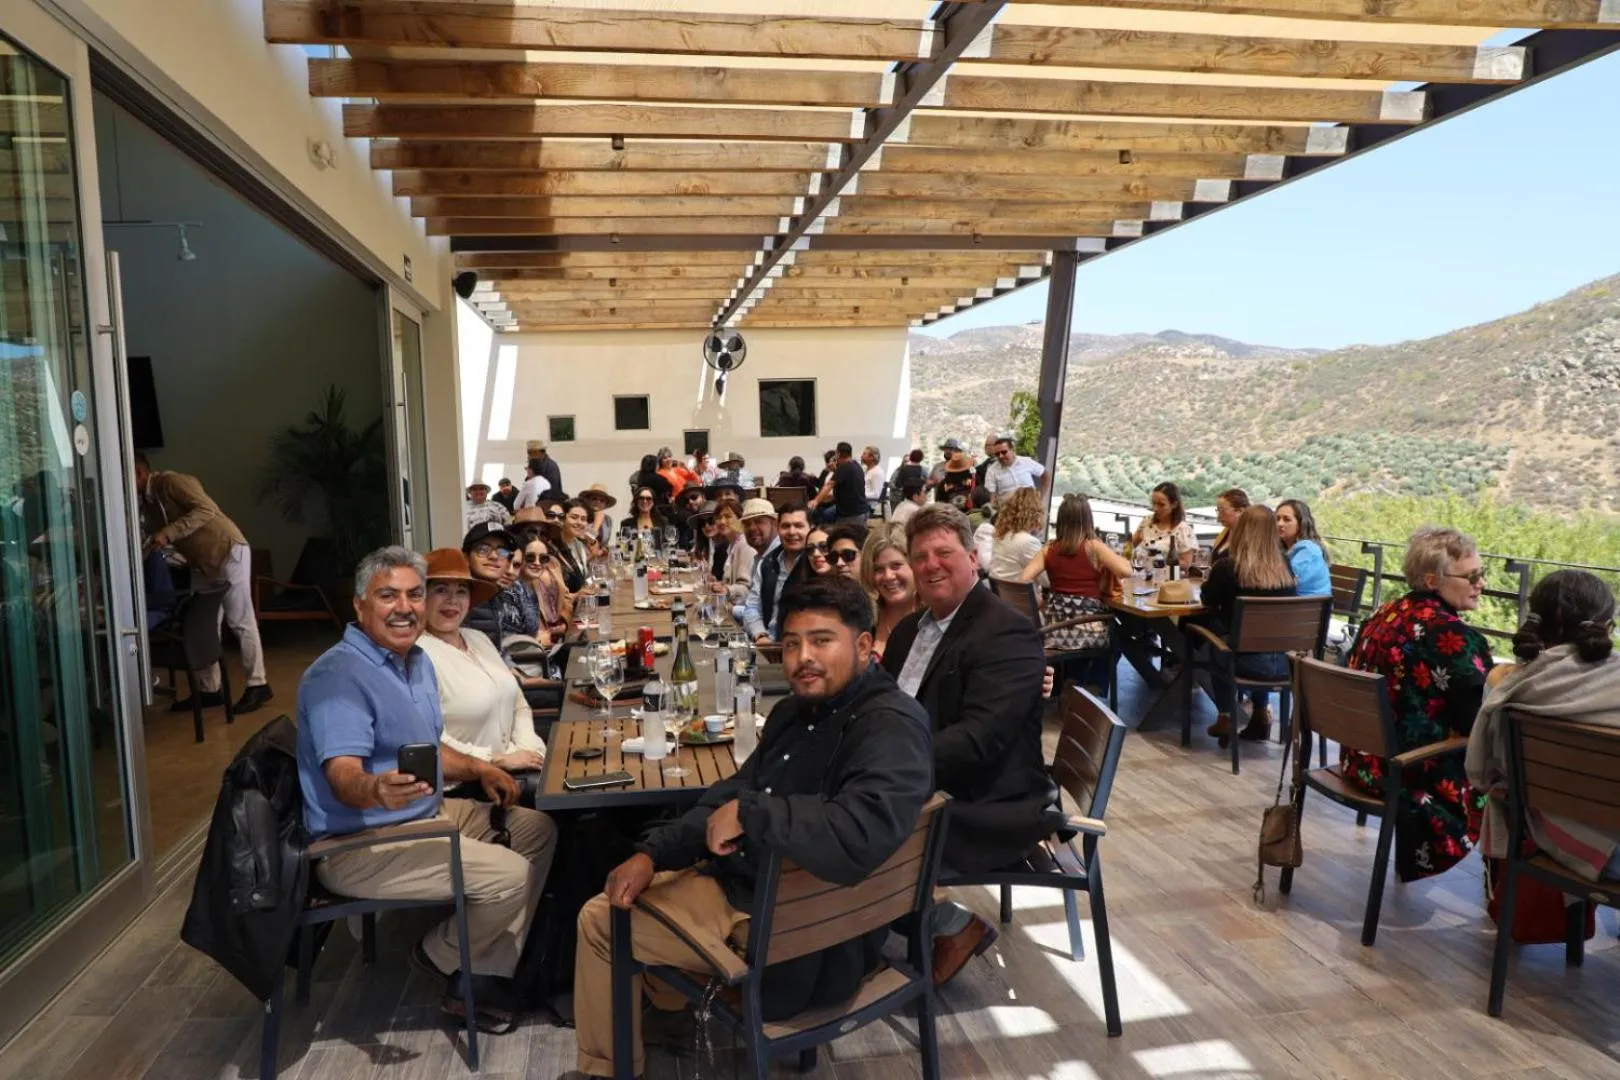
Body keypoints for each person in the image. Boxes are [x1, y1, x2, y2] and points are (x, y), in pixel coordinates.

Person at [570, 576, 933, 1078]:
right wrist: (654, 853)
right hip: (768, 901)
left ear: (865, 645)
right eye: (791, 643)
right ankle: (670, 1012)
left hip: (800, 950)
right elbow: (732, 794)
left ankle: (605, 1069)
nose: (803, 656)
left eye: (821, 640)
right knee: (644, 875)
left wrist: (752, 814)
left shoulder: (891, 724)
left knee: (599, 919)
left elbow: (860, 832)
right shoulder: (796, 712)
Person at [295, 546, 556, 1030]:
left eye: (415, 594)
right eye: (388, 595)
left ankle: (479, 975)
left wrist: (479, 769)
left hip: (422, 817)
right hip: (359, 843)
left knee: (538, 829)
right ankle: (439, 955)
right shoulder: (340, 676)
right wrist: (374, 788)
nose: (405, 606)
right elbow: (343, 773)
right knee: (509, 877)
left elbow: (431, 749)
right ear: (359, 605)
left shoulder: (412, 660)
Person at [882, 503, 1050, 985]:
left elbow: (980, 739)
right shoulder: (912, 630)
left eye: (943, 552)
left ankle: (936, 927)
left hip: (988, 802)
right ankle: (868, 936)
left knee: (850, 822)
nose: (930, 564)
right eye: (920, 556)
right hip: (928, 781)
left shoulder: (1006, 631)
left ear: (974, 557)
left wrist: (889, 766)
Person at [1344, 527, 1493, 882]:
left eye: (1482, 574)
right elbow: (1483, 723)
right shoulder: (1452, 636)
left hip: (1362, 760)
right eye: (1472, 576)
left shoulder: (1386, 613)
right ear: (1432, 579)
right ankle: (1509, 895)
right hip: (1410, 774)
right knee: (1517, 765)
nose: (1482, 583)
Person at [1467, 570, 1620, 882]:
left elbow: (1483, 774)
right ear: (1605, 626)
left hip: (1541, 831)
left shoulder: (1504, 684)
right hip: (1610, 849)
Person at [135, 453, 271, 713]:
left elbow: (206, 509)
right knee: (202, 623)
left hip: (227, 549)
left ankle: (258, 685)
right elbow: (154, 538)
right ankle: (210, 690)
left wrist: (168, 533)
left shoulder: (171, 482)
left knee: (240, 620)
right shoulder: (146, 503)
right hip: (199, 562)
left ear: (139, 473)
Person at [416, 549, 547, 786]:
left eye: (461, 591)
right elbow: (429, 738)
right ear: (422, 598)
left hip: (519, 769)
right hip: (468, 782)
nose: (452, 600)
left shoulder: (477, 638)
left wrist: (530, 749)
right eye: (441, 590)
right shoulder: (417, 655)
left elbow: (519, 703)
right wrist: (497, 760)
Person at [1198, 505, 1298, 744]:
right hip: (1286, 663)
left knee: (1214, 632)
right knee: (1261, 639)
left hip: (1243, 662)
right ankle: (1261, 712)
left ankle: (1226, 715)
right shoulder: (1284, 566)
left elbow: (1207, 599)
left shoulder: (1228, 567)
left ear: (1241, 530)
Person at [1019, 494, 1132, 655]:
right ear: (1087, 520)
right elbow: (1125, 571)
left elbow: (1023, 580)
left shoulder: (1048, 549)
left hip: (1053, 631)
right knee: (1121, 636)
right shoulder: (1093, 546)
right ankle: (1093, 679)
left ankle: (1074, 677)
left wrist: (1041, 603)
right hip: (1088, 630)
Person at [741, 503, 809, 643]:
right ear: (778, 529)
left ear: (811, 529)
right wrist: (760, 635)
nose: (791, 532)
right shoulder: (768, 562)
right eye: (785, 526)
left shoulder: (816, 564)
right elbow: (752, 607)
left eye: (798, 526)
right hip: (768, 646)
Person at [499, 531, 573, 644]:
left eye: (543, 558)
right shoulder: (509, 590)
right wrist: (538, 641)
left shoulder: (529, 586)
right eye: (530, 557)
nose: (537, 563)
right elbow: (509, 644)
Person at [861, 531, 917, 663]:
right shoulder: (864, 620)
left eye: (896, 566)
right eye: (878, 569)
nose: (888, 576)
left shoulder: (937, 618)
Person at [461, 521, 517, 640]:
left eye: (502, 551)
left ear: (508, 563)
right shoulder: (460, 598)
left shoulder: (506, 596)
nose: (494, 556)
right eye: (483, 549)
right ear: (466, 558)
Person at [987, 487, 1046, 584]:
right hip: (1023, 597)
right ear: (1035, 513)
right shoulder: (1028, 542)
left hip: (1000, 596)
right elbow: (1046, 582)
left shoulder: (1000, 536)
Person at [1130, 481, 1197, 567]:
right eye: (1153, 503)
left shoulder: (1183, 530)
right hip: (1143, 575)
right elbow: (1129, 545)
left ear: (1174, 505)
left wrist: (1158, 563)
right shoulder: (1147, 521)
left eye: (1161, 505)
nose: (1155, 508)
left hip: (1169, 578)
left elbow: (1186, 563)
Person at [1276, 498, 1332, 597]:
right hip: (1293, 605)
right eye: (1277, 519)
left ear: (1301, 523)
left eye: (1286, 519)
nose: (1280, 524)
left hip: (1308, 609)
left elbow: (1285, 583)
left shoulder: (1308, 550)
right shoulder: (1285, 548)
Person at [809, 441, 869, 527]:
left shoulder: (844, 466)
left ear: (838, 454)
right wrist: (835, 470)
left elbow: (830, 484)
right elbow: (845, 480)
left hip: (851, 514)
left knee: (844, 537)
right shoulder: (856, 465)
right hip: (861, 510)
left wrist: (816, 501)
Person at [982, 435, 1046, 506]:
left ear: (1012, 450)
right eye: (997, 454)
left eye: (1004, 452)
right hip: (1008, 513)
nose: (1000, 456)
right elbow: (991, 497)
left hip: (1031, 510)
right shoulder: (992, 471)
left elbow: (1045, 475)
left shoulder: (1026, 462)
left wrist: (1041, 497)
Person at [713, 503, 756, 604]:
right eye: (719, 517)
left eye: (728, 516)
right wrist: (718, 585)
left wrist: (727, 590)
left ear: (740, 519)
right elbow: (730, 582)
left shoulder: (745, 545)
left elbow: (746, 588)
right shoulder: (732, 545)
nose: (722, 521)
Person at [937, 439, 977, 505]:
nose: (948, 451)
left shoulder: (974, 478)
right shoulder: (974, 478)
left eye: (951, 449)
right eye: (946, 449)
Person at [1211, 488, 1249, 556]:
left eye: (1223, 511)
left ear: (1240, 511)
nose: (1218, 518)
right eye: (1218, 511)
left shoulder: (1250, 537)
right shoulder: (1224, 533)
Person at [861, 445, 886, 511]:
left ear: (871, 457)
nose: (861, 456)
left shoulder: (878, 472)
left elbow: (876, 494)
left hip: (867, 505)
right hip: (860, 501)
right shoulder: (865, 468)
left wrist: (858, 495)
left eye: (864, 454)